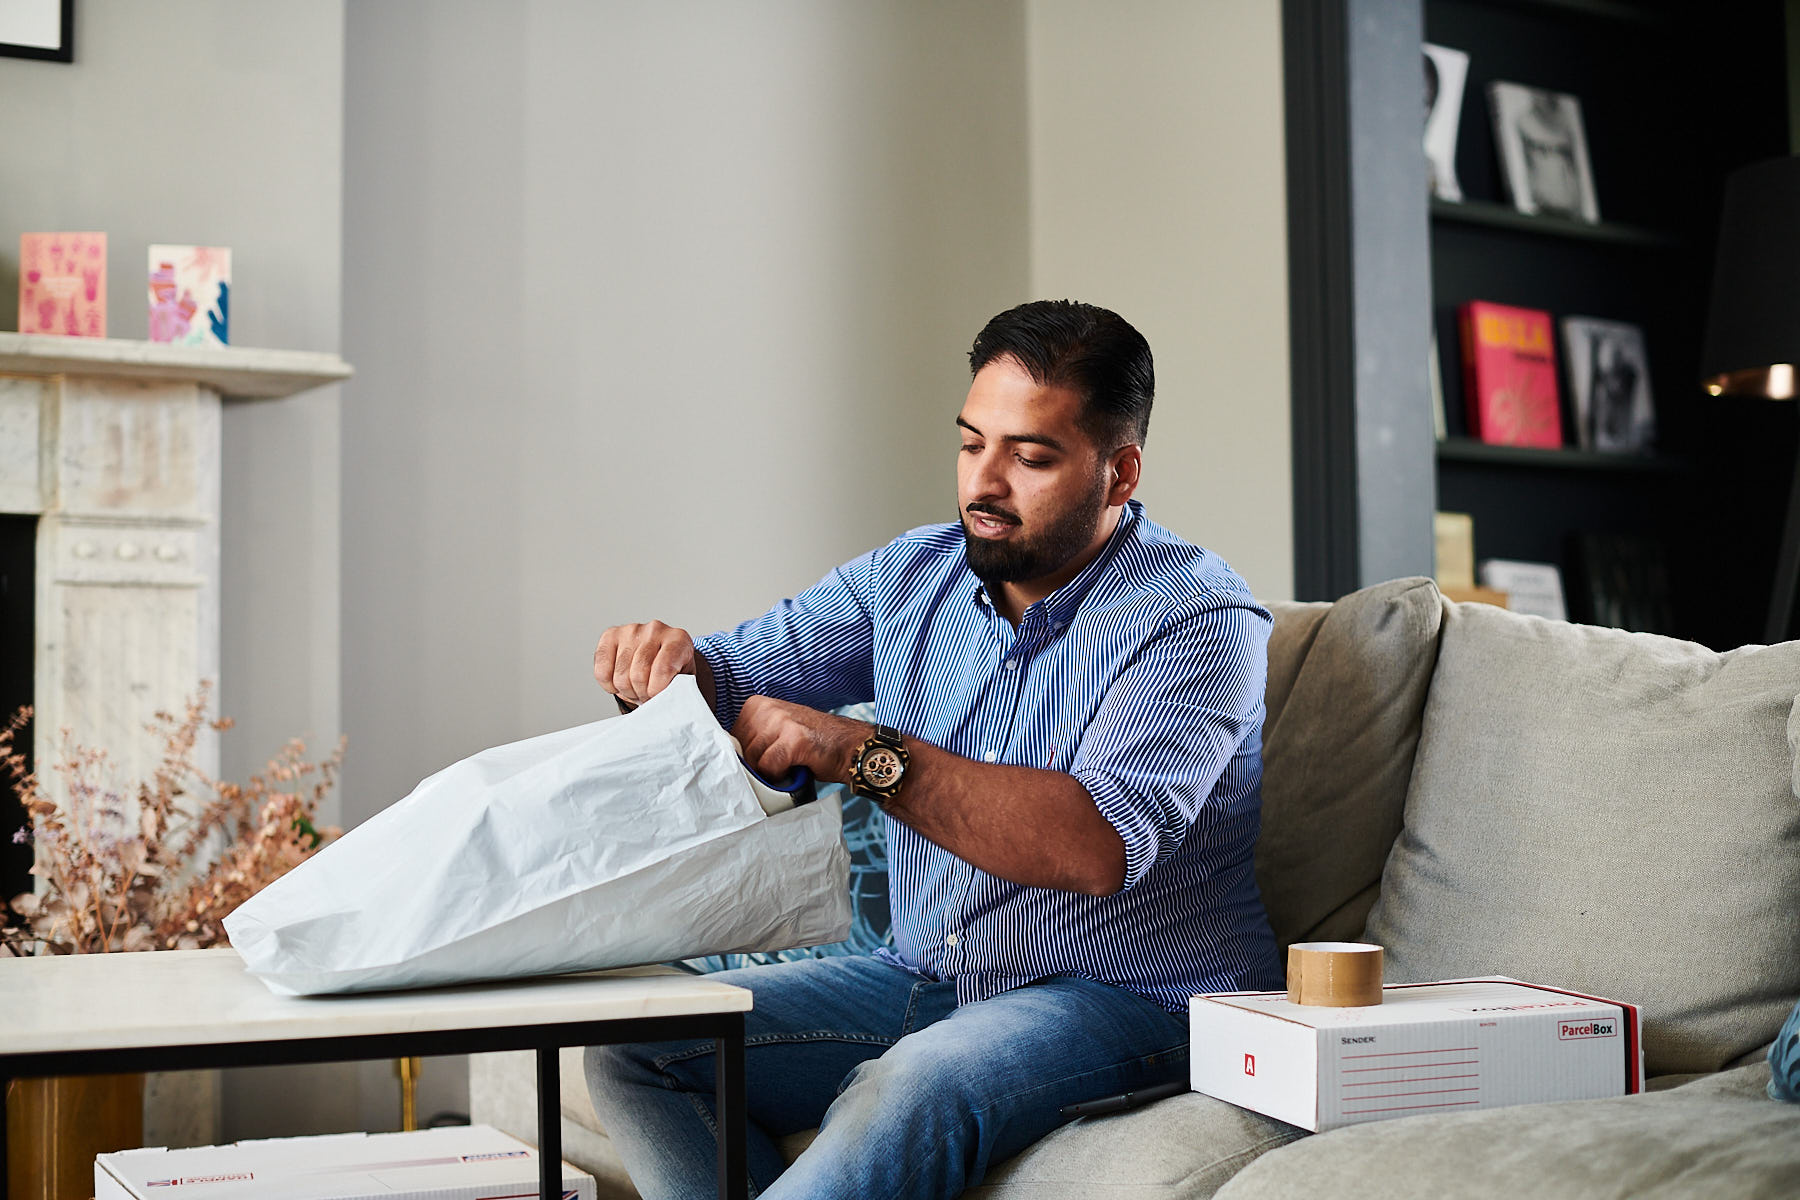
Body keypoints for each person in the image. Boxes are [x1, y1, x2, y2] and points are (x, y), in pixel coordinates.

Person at [586, 299, 1281, 1200]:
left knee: (916, 1083)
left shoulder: (1198, 619)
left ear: (1119, 473)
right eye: (971, 444)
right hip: (927, 972)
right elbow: (726, 677)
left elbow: (1094, 845)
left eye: (1029, 457)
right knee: (642, 1048)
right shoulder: (910, 576)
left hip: (1135, 998)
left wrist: (858, 751)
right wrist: (657, 667)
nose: (983, 485)